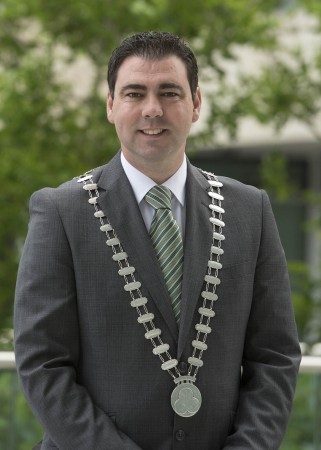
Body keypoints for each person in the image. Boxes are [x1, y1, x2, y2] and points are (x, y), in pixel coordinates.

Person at [14, 31, 301, 450]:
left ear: (196, 104)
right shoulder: (61, 211)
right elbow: (42, 364)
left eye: (169, 92)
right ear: (111, 106)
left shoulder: (249, 209)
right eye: (134, 93)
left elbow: (273, 357)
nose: (153, 109)